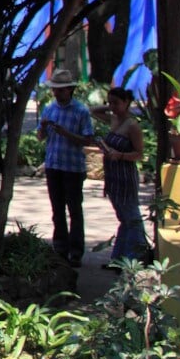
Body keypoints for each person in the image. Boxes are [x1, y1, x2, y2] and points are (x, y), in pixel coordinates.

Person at [38, 69, 95, 266]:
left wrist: (66, 133)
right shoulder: (49, 109)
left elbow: (88, 139)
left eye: (61, 90)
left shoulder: (81, 111)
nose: (57, 93)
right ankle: (60, 248)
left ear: (70, 90)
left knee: (74, 210)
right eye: (55, 90)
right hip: (54, 165)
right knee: (57, 209)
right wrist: (44, 128)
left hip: (73, 167)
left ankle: (76, 251)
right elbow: (40, 137)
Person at [94, 87, 151, 263]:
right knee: (123, 218)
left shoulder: (132, 126)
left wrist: (120, 156)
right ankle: (120, 258)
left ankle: (136, 257)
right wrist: (110, 107)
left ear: (126, 102)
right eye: (110, 103)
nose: (112, 107)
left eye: (116, 103)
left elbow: (140, 154)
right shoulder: (113, 119)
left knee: (132, 217)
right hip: (113, 177)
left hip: (125, 176)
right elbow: (93, 111)